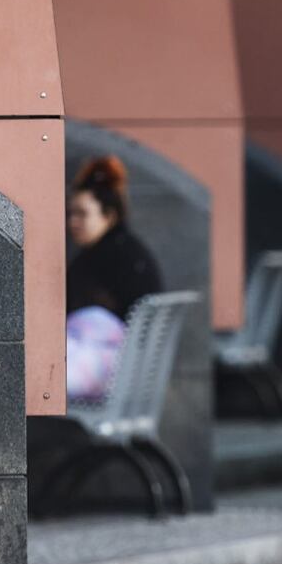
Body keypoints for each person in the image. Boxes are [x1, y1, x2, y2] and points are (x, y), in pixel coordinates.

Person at [65, 157, 164, 400]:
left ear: (108, 216)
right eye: (70, 214)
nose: (72, 222)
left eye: (81, 214)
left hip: (109, 375)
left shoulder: (102, 259)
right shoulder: (129, 250)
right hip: (131, 376)